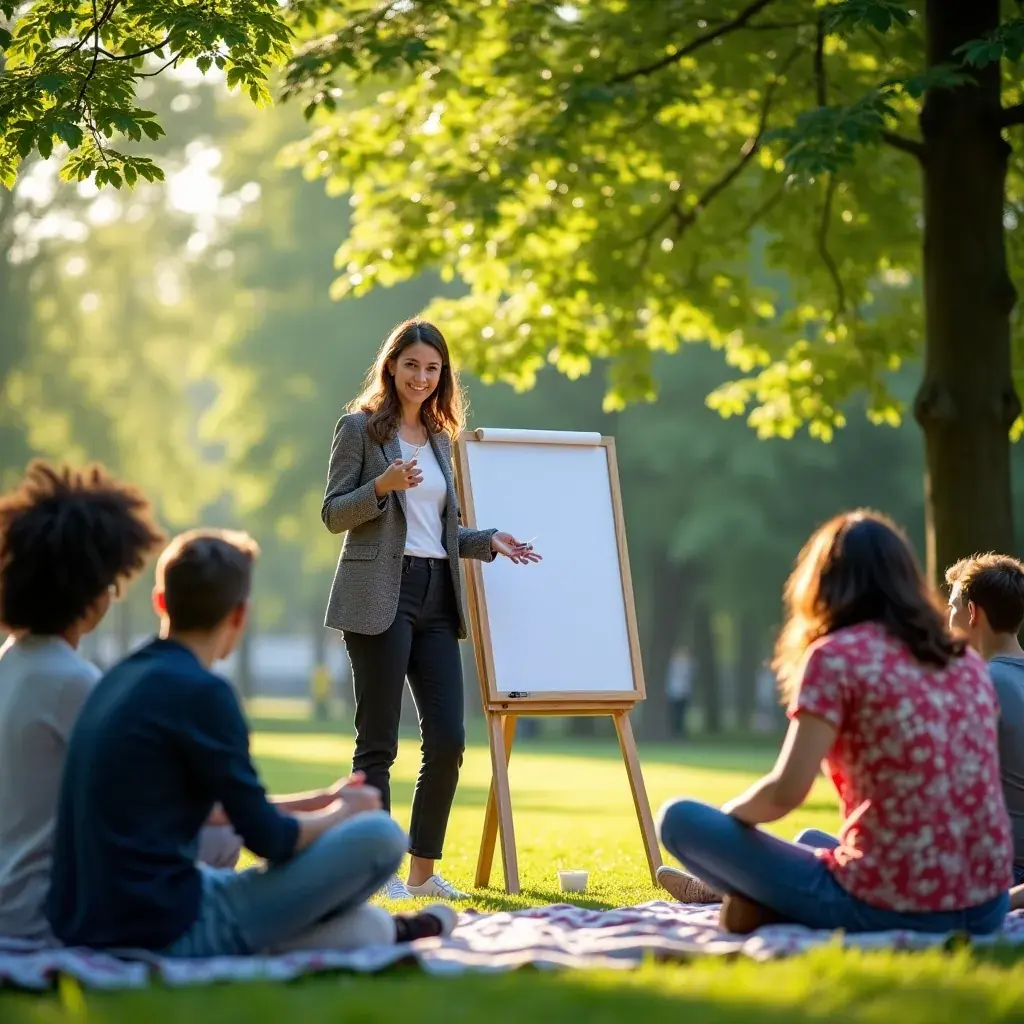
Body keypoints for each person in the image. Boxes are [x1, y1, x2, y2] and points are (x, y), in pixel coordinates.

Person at [47, 529, 456, 955]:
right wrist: (342, 815)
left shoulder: (119, 677)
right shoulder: (204, 692)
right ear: (240, 615)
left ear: (160, 602)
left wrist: (323, 800)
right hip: (160, 925)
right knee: (381, 836)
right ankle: (383, 932)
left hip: (85, 919)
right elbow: (270, 840)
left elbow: (222, 811)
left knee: (345, 915)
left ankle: (383, 931)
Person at [656, 510, 1013, 935]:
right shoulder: (965, 661)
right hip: (987, 904)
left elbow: (785, 791)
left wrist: (729, 825)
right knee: (812, 839)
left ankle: (765, 904)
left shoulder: (836, 657)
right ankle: (767, 905)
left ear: (824, 582)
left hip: (894, 903)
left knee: (679, 820)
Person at [322, 318, 541, 901]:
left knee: (447, 739)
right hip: (378, 597)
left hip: (436, 596)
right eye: (412, 364)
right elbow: (333, 513)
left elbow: (441, 531)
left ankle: (421, 873)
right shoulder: (360, 430)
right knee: (378, 742)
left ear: (443, 375)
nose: (421, 377)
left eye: (433, 368)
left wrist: (486, 539)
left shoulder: (443, 440)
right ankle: (377, 873)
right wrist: (383, 486)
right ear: (391, 366)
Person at [0, 462, 166, 943]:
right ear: (90, 593)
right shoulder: (72, 681)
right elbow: (146, 811)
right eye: (112, 586)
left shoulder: (12, 662)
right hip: (49, 916)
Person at [945, 553, 1024, 902]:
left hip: (992, 875)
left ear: (973, 612)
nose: (947, 619)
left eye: (952, 607)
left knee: (811, 843)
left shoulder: (980, 685)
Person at [665, 645, 693, 739]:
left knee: (680, 714)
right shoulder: (673, 663)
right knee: (674, 713)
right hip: (673, 692)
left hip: (682, 693)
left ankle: (679, 732)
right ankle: (675, 732)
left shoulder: (687, 664)